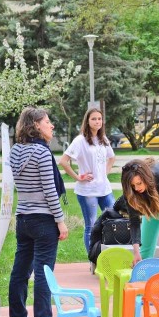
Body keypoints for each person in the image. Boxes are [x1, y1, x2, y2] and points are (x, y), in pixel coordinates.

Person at [8, 107, 68, 317]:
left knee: (20, 270)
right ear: (35, 125)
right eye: (47, 122)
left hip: (23, 217)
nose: (51, 125)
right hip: (43, 219)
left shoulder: (15, 151)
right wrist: (60, 221)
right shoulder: (42, 153)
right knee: (44, 272)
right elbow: (50, 191)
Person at [59, 108, 115, 254]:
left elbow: (112, 157)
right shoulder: (80, 140)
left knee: (114, 219)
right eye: (94, 119)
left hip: (105, 189)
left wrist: (105, 172)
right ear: (87, 121)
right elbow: (64, 161)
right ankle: (93, 258)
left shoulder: (103, 139)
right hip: (87, 191)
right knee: (91, 225)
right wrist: (78, 177)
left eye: (99, 119)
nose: (97, 121)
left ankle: (108, 253)